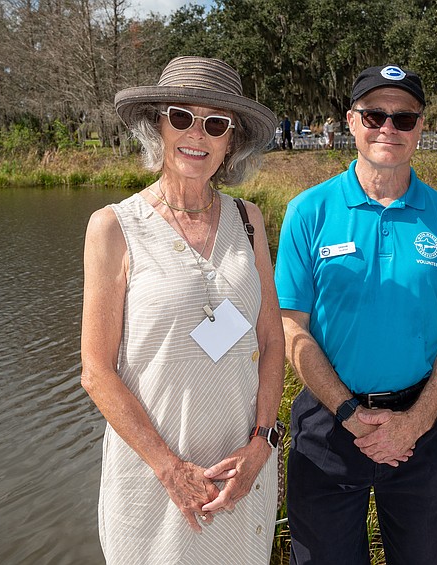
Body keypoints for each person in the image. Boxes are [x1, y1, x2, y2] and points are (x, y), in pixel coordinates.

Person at [274, 64, 437, 565]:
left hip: (423, 429)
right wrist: (350, 414)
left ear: (420, 129)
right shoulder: (309, 211)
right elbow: (291, 328)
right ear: (351, 121)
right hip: (328, 424)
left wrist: (413, 424)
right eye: (374, 115)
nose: (388, 128)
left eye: (403, 119)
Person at [80, 56, 285, 564]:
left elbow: (273, 339)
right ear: (158, 125)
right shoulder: (113, 227)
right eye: (181, 117)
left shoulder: (249, 219)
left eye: (216, 123)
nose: (197, 134)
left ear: (231, 141)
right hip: (153, 481)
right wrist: (171, 469)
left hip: (241, 475)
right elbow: (96, 372)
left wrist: (262, 443)